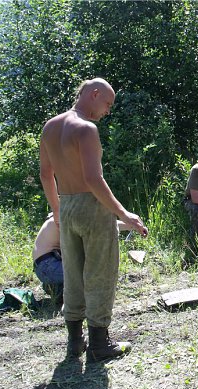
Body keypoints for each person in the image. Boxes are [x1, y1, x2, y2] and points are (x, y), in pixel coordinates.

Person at [39, 78, 148, 363]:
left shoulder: (50, 126)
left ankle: (75, 342)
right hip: (91, 206)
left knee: (73, 274)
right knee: (100, 273)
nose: (107, 111)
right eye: (107, 104)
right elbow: (93, 178)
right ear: (94, 94)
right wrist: (124, 214)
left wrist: (57, 209)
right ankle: (100, 344)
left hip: (66, 204)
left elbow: (45, 174)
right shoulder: (86, 129)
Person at [32, 214, 132, 306]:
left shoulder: (57, 218)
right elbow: (97, 225)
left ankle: (56, 289)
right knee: (90, 272)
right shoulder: (62, 219)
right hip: (49, 267)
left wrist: (129, 225)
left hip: (44, 267)